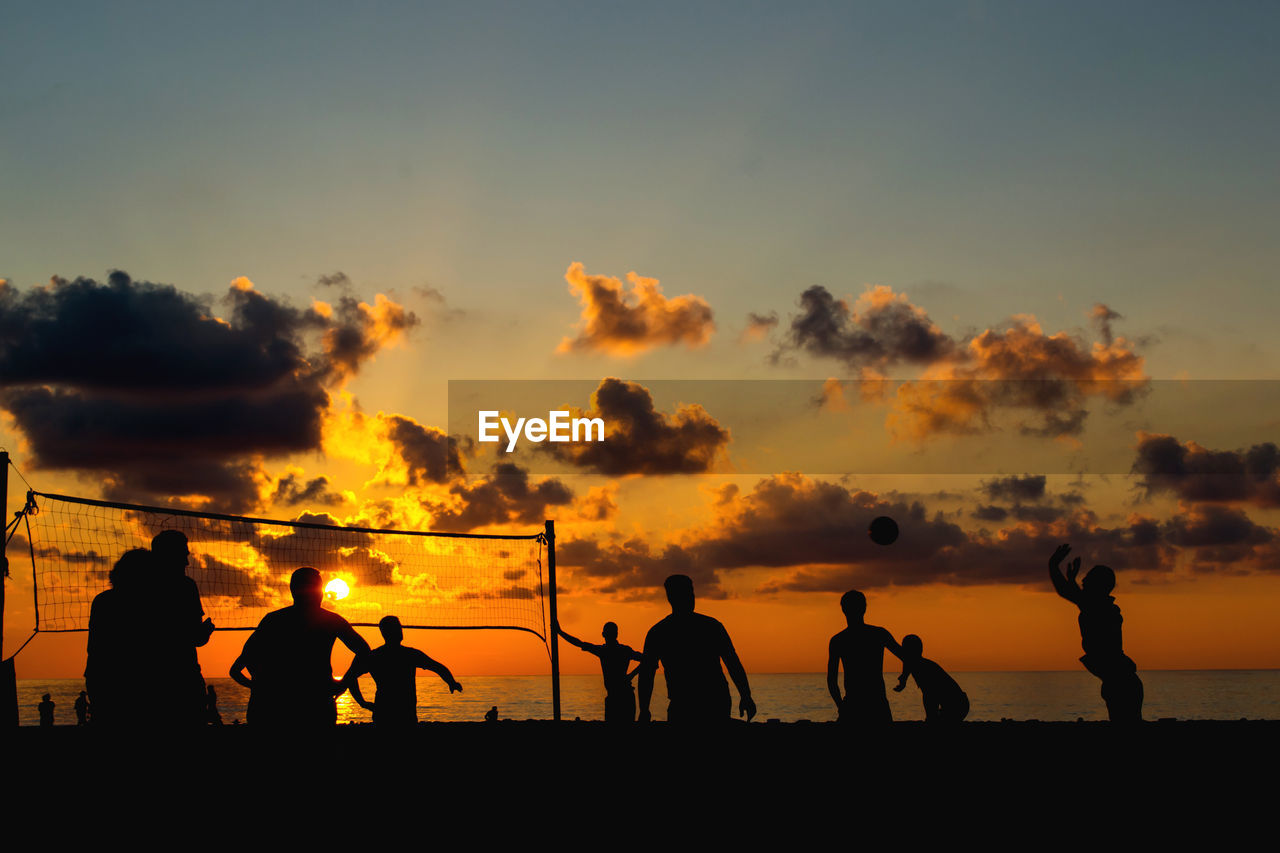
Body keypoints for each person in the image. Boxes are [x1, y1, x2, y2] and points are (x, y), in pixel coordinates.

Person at [229, 566, 371, 728]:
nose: (321, 594)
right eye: (318, 589)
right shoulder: (331, 620)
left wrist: (261, 688)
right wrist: (344, 682)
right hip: (317, 703)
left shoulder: (273, 621)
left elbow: (236, 669)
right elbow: (364, 651)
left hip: (281, 707)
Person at [638, 574, 755, 723]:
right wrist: (643, 710)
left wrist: (746, 695)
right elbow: (646, 674)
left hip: (714, 700)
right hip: (684, 702)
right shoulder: (660, 633)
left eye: (691, 592)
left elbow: (732, 662)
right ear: (671, 598)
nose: (691, 597)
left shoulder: (711, 626)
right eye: (686, 593)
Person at [1048, 543, 1143, 722]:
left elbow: (1068, 592)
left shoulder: (1098, 607)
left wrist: (1053, 565)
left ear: (1098, 585)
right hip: (1121, 681)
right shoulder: (1100, 605)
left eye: (1088, 578)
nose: (1084, 580)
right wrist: (1072, 581)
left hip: (1121, 683)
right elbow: (1078, 596)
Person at [85, 548, 155, 727]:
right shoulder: (145, 605)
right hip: (119, 679)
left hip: (100, 676)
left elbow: (93, 647)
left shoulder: (102, 600)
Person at [348, 615, 462, 726]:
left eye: (400, 627)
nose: (400, 630)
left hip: (387, 713)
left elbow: (350, 677)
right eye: (397, 628)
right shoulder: (409, 655)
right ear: (388, 632)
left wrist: (362, 702)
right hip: (402, 715)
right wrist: (451, 682)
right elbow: (438, 667)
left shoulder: (375, 656)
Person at [151, 530, 215, 725]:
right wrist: (206, 630)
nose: (187, 563)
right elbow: (196, 638)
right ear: (170, 555)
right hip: (183, 678)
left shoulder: (138, 586)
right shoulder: (186, 586)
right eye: (183, 555)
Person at [827, 590, 906, 724]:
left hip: (854, 704)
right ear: (864, 608)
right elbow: (907, 657)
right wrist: (904, 677)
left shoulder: (838, 640)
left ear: (844, 610)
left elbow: (831, 680)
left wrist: (840, 706)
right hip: (876, 704)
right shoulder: (879, 634)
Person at [560, 622, 645, 722]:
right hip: (624, 697)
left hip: (618, 698)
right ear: (616, 634)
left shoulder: (604, 650)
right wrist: (631, 675)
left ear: (603, 634)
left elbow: (579, 643)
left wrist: (560, 632)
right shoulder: (623, 650)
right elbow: (647, 660)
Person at [892, 634, 969, 723]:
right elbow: (907, 664)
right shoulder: (915, 663)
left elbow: (931, 695)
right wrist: (903, 679)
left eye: (905, 648)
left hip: (957, 705)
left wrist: (931, 717)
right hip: (958, 704)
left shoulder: (924, 667)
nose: (903, 652)